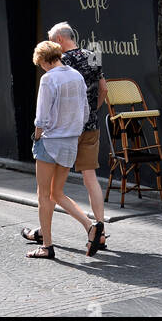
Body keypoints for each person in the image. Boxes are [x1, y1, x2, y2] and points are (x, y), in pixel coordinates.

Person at [22, 40, 105, 261]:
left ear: (43, 61)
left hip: (51, 141)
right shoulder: (76, 76)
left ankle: (47, 246)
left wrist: (37, 136)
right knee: (57, 193)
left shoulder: (48, 79)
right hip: (71, 142)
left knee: (43, 196)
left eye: (40, 64)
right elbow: (85, 110)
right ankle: (90, 226)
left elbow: (41, 117)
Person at [47, 22, 110, 250]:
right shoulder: (93, 55)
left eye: (53, 42)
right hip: (91, 125)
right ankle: (100, 229)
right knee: (90, 177)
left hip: (68, 129)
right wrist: (94, 110)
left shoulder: (62, 61)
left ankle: (47, 235)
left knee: (52, 186)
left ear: (60, 40)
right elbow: (103, 88)